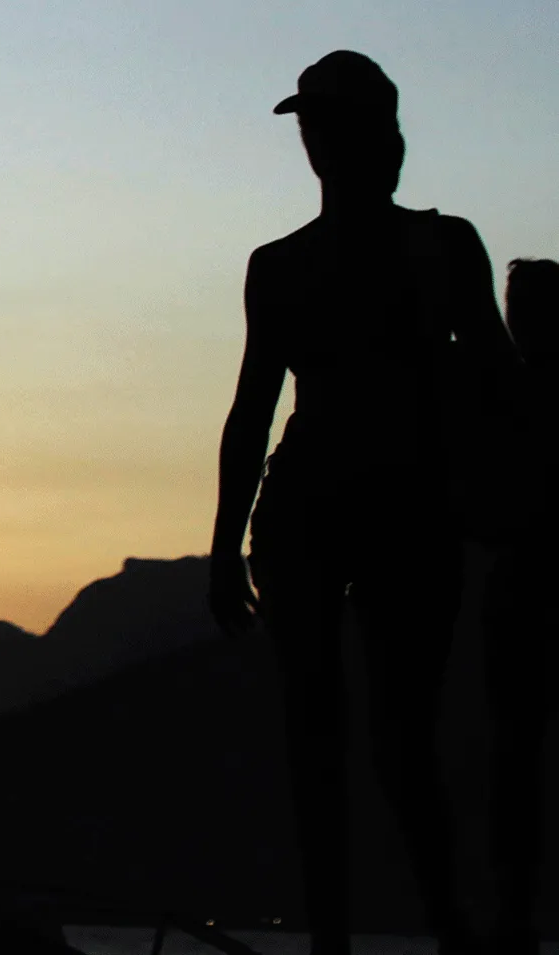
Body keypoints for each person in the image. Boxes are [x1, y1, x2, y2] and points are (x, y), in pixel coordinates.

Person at [207, 51, 520, 955]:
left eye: (327, 123)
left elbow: (497, 378)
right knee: (327, 741)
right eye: (308, 125)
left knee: (399, 740)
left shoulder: (441, 246)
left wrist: (506, 496)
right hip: (313, 513)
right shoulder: (283, 266)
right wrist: (226, 548)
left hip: (406, 511)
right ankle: (347, 940)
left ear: (378, 137)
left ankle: (441, 927)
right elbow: (251, 410)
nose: (315, 140)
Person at [482, 258, 559, 955]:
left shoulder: (504, 395)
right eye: (515, 302)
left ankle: (515, 917)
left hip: (521, 593)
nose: (518, 316)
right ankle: (514, 917)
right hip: (512, 596)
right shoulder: (495, 393)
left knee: (518, 764)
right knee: (515, 763)